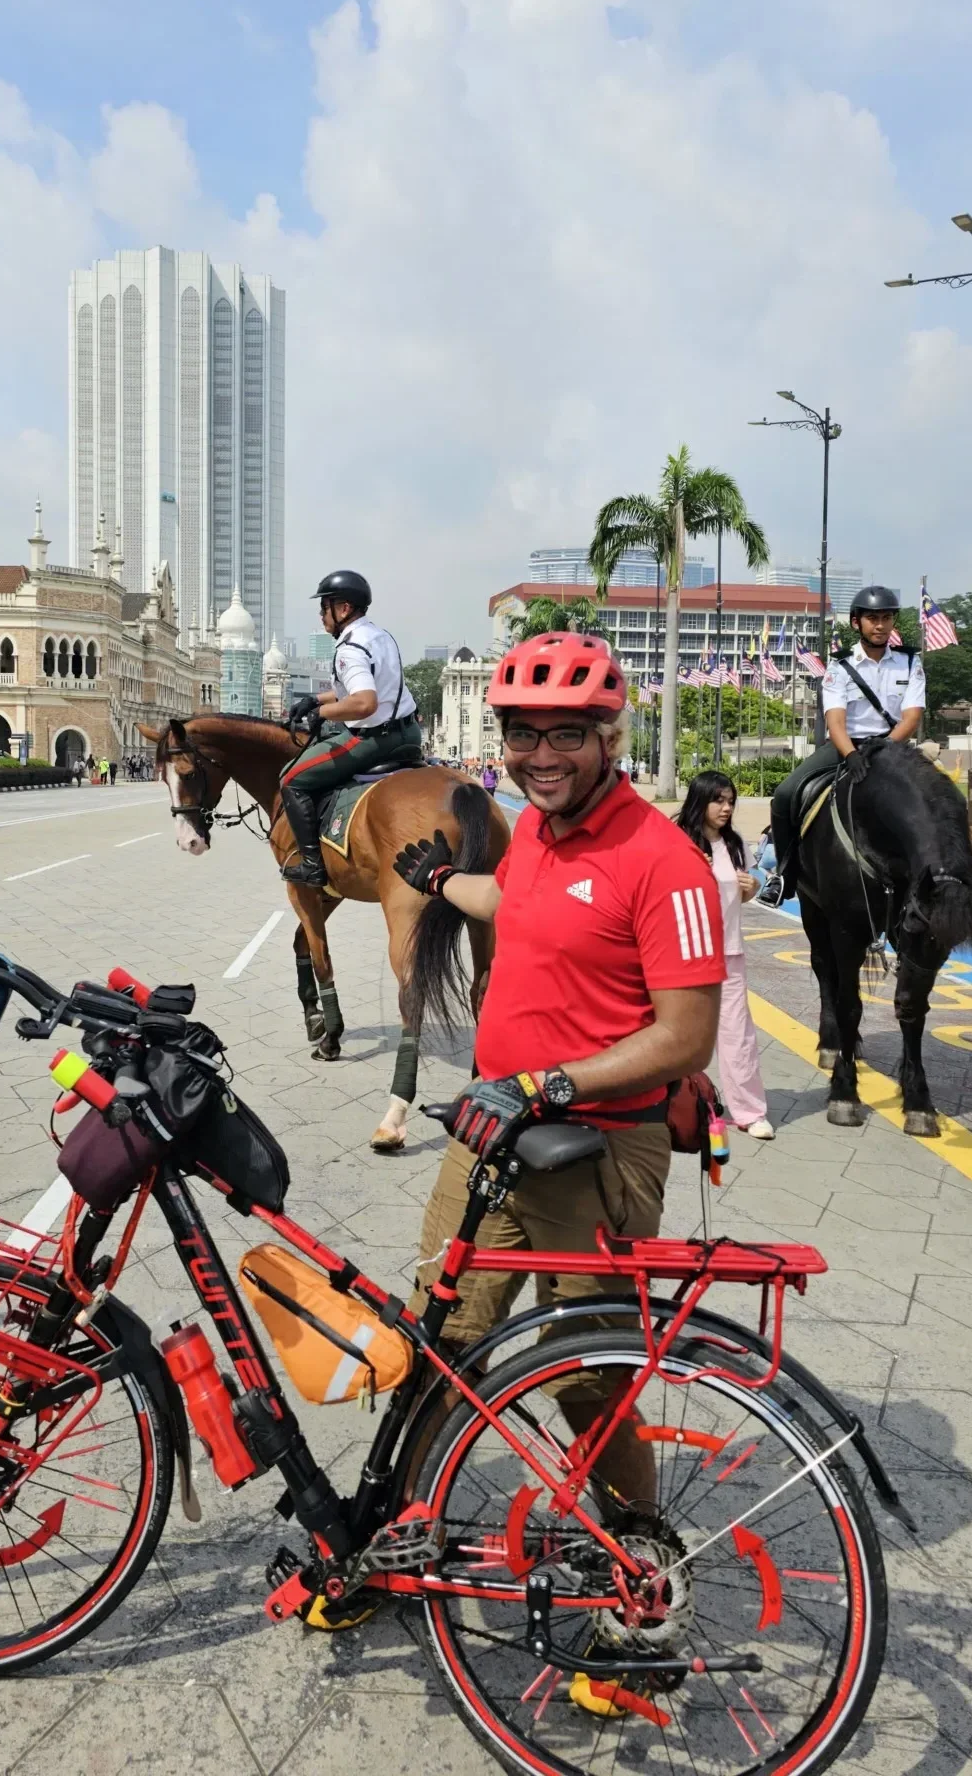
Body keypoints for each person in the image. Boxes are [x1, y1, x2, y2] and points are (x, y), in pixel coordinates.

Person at [394, 630, 724, 1502]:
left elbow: (688, 1036)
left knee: (590, 1382)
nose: (541, 756)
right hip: (493, 1134)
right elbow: (509, 897)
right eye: (523, 734)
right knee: (434, 1341)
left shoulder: (668, 863)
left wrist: (548, 1084)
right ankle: (401, 1522)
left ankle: (638, 1566)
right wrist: (440, 885)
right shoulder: (537, 830)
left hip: (599, 1150)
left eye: (565, 735)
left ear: (609, 740)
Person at [766, 585, 925, 903]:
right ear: (856, 623)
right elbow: (835, 720)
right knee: (783, 796)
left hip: (891, 748)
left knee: (945, 799)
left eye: (886, 618)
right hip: (845, 748)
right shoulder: (839, 666)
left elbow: (912, 717)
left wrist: (881, 748)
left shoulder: (910, 663)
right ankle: (784, 875)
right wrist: (852, 753)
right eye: (872, 618)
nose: (879, 625)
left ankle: (945, 876)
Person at [277, 570, 422, 885]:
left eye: (324, 607)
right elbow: (361, 689)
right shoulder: (378, 636)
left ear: (343, 609)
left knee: (291, 779)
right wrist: (315, 700)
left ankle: (313, 865)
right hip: (408, 733)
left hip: (375, 738)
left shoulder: (349, 649)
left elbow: (364, 702)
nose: (321, 616)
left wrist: (322, 714)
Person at [676, 771, 774, 1139]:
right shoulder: (678, 839)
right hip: (683, 952)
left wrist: (751, 887)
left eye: (730, 801)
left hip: (728, 951)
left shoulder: (734, 844)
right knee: (679, 1031)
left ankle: (750, 1112)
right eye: (719, 800)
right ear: (700, 800)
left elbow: (742, 893)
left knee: (738, 1035)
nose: (726, 807)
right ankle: (671, 1101)